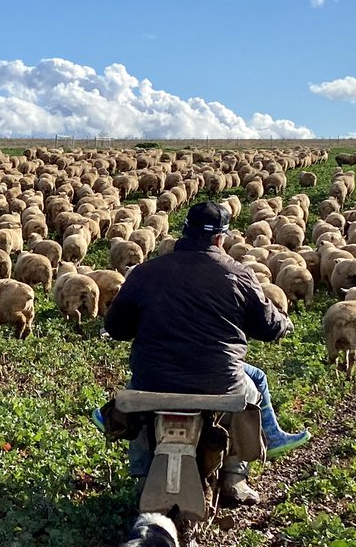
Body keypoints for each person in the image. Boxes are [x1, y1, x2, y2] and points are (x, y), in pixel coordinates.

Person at [92, 201, 311, 505]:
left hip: (155, 377)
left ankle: (141, 472)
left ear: (183, 233)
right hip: (219, 381)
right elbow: (267, 327)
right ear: (221, 238)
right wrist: (282, 324)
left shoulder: (146, 273)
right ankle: (241, 471)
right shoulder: (239, 274)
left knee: (136, 390)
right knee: (255, 380)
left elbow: (116, 327)